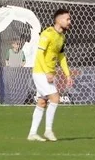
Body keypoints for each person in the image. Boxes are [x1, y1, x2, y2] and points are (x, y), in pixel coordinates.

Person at [29, 8, 71, 142]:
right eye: (67, 19)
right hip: (40, 72)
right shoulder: (47, 34)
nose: (70, 21)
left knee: (42, 102)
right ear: (58, 20)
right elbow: (39, 54)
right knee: (55, 98)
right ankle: (48, 130)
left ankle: (32, 133)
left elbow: (61, 56)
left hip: (47, 73)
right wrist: (47, 71)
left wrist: (68, 75)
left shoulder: (62, 36)